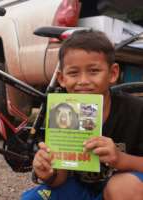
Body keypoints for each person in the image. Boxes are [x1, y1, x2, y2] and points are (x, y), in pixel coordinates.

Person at [21, 30, 143, 200]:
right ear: (61, 79)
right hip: (80, 190)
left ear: (113, 73)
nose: (83, 81)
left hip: (124, 189)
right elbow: (59, 180)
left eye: (93, 71)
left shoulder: (136, 110)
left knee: (123, 188)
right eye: (73, 73)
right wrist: (48, 172)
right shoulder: (61, 111)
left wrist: (121, 159)